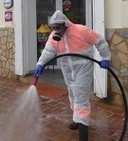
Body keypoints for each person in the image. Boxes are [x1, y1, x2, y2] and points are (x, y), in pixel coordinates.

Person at [34, 10, 111, 141]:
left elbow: (100, 41)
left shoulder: (81, 31)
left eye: (58, 27)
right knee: (73, 95)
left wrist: (105, 57)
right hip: (67, 70)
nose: (56, 31)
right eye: (53, 28)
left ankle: (83, 134)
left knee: (80, 97)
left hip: (83, 68)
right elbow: (48, 51)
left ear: (65, 24)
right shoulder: (54, 36)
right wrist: (40, 64)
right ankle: (78, 121)